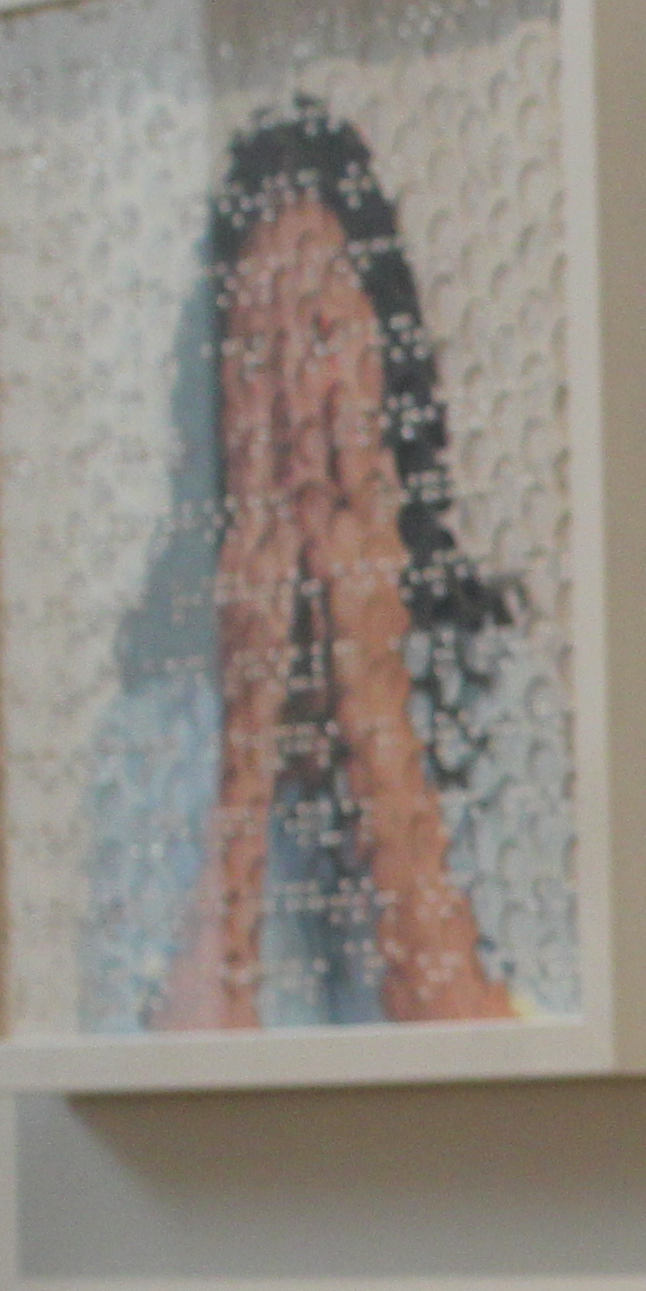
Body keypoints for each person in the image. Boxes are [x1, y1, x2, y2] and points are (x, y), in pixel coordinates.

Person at [84, 103, 566, 1033]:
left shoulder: (503, 699)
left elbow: (502, 1078)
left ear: (389, 369)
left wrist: (374, 697)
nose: (296, 402)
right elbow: (159, 1108)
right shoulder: (149, 738)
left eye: (320, 334)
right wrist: (249, 736)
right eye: (255, 353)